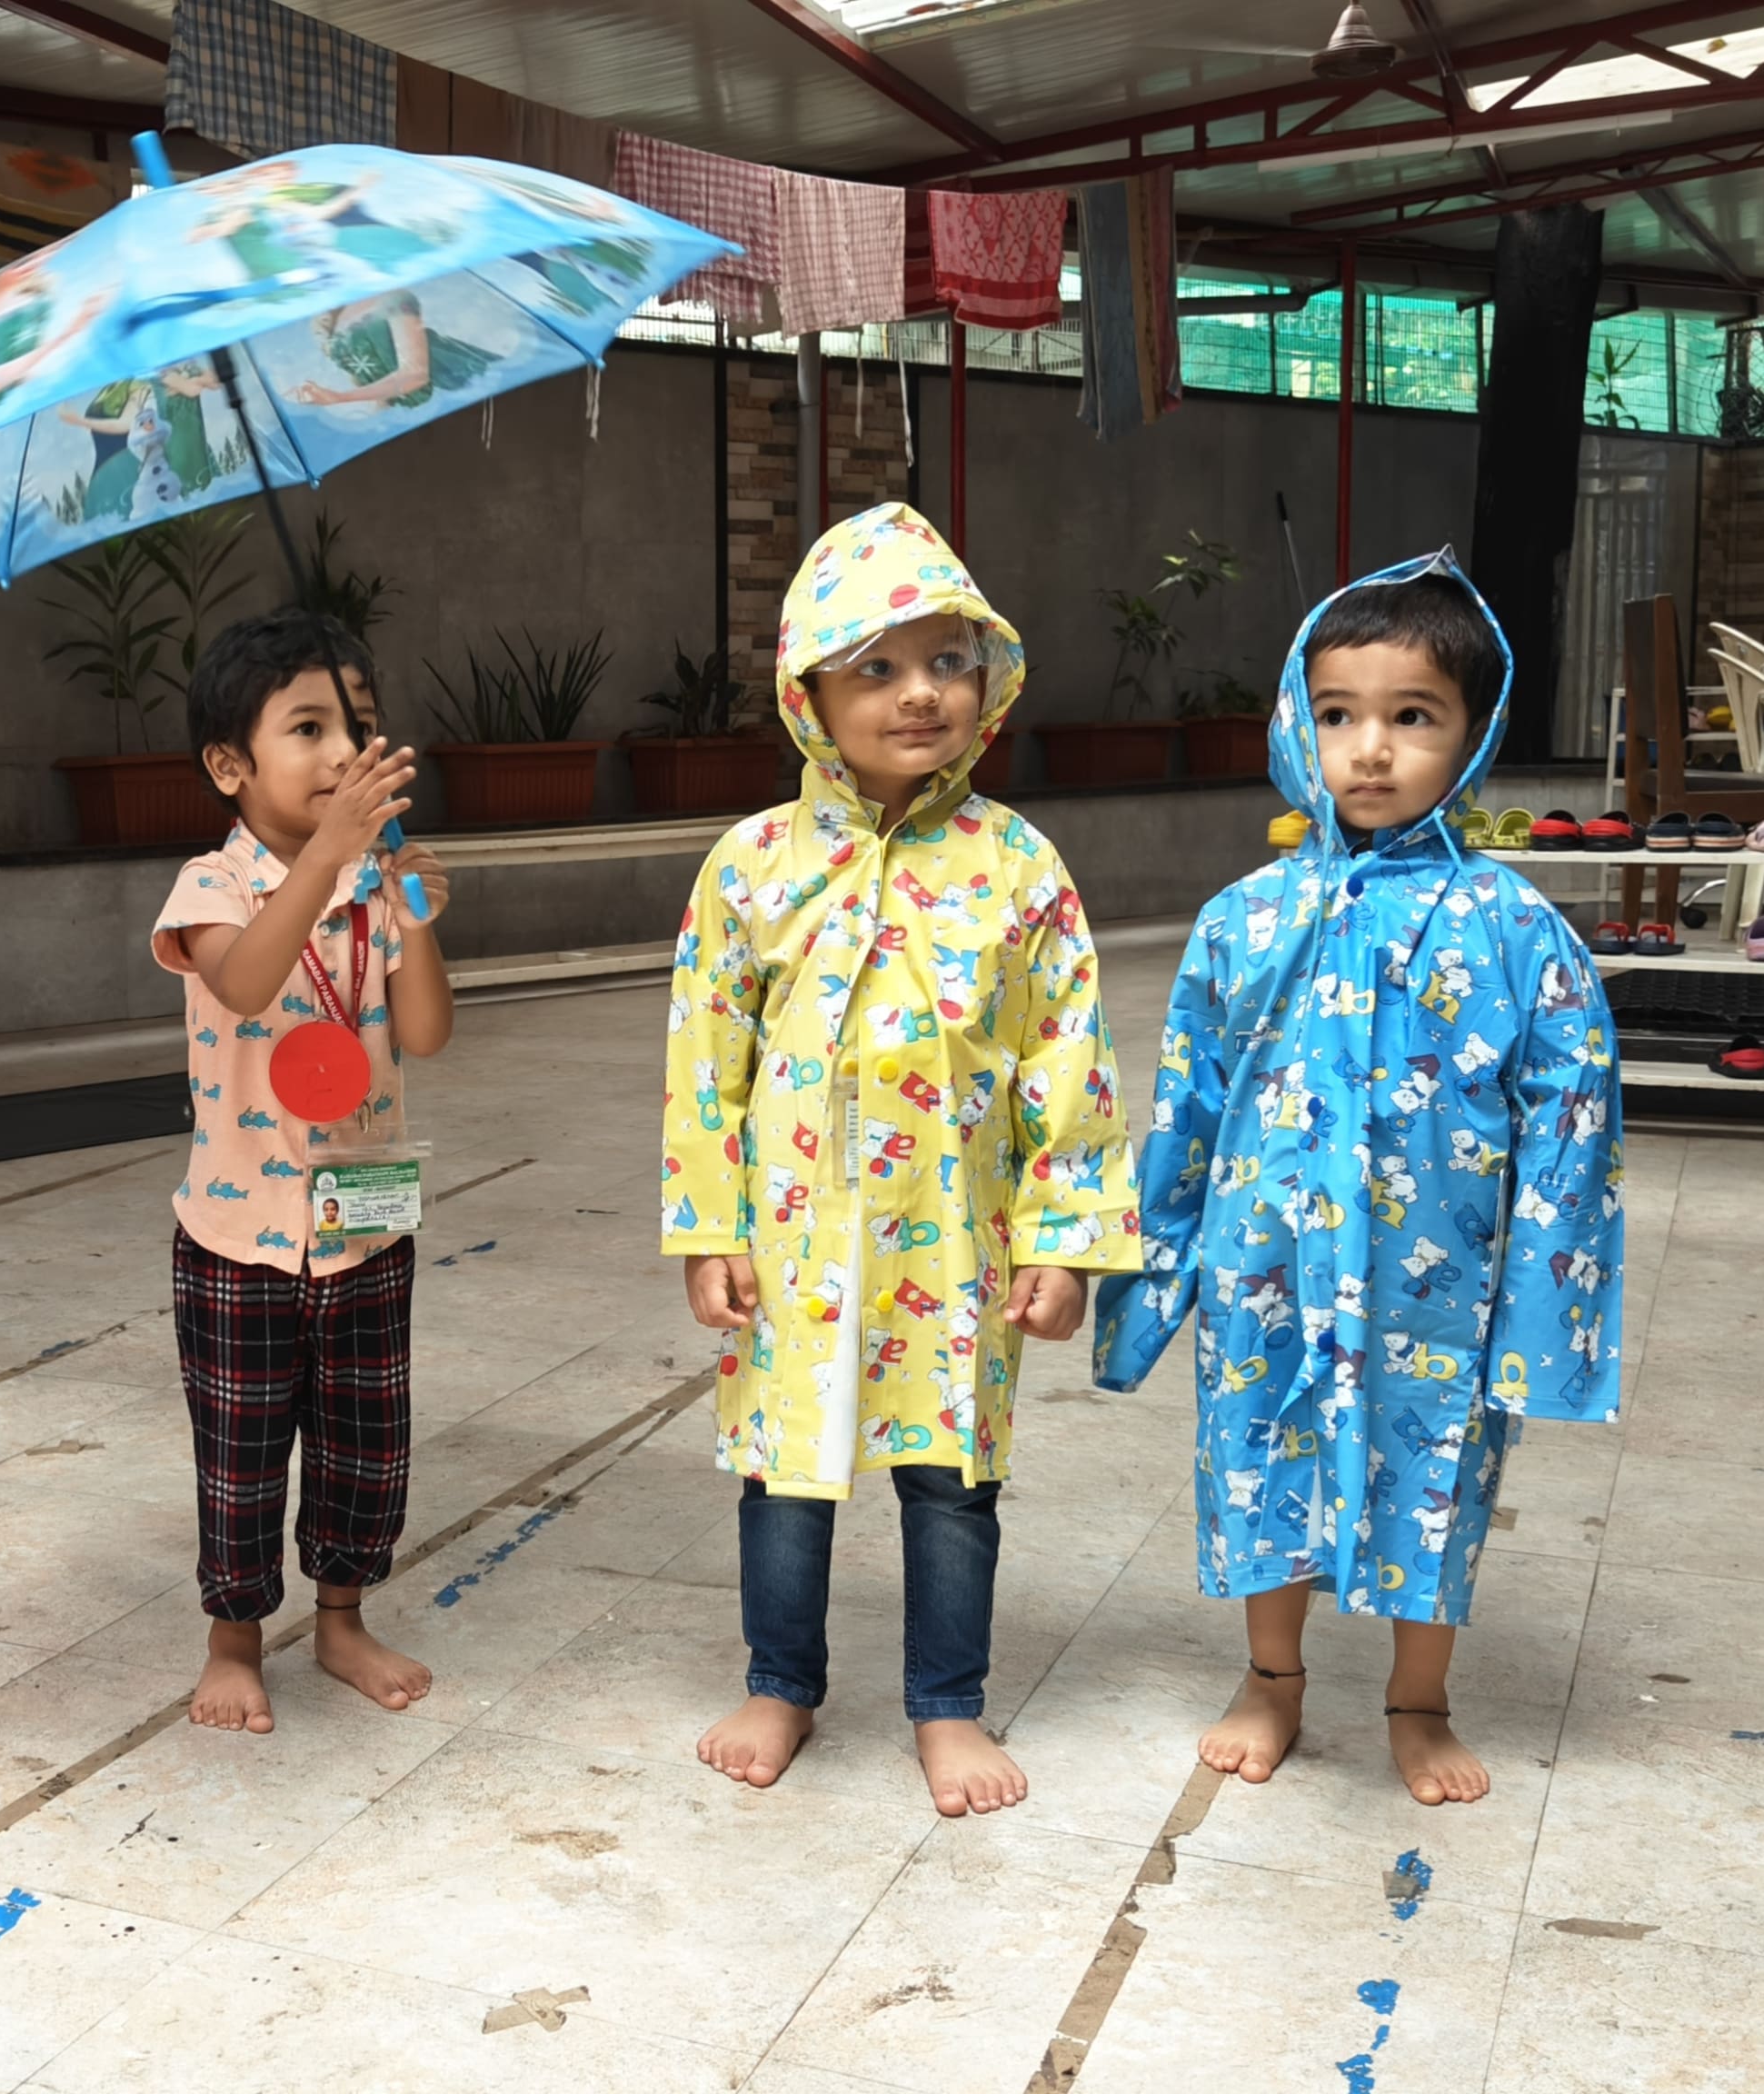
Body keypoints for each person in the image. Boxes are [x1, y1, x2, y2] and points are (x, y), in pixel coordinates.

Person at [1091, 553, 1623, 1806]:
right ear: (1296, 722)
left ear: (1477, 731)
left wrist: (1547, 1319)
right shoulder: (1243, 922)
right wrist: (1150, 1277)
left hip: (1440, 1282)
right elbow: (1189, 1110)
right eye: (1338, 716)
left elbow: (1573, 1125)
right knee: (1259, 1448)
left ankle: (1417, 1699)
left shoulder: (1512, 928)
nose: (1370, 750)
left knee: (1433, 1468)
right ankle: (1271, 1677)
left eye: (1412, 717)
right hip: (1265, 1264)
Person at [660, 504, 1141, 1818]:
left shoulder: (1018, 867)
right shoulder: (753, 867)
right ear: (808, 693)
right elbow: (708, 1062)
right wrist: (709, 1230)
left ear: (989, 677)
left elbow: (1067, 1062)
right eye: (875, 667)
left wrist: (1061, 1240)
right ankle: (781, 1681)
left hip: (959, 1234)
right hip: (794, 1238)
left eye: (944, 658)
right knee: (787, 1469)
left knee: (952, 1475)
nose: (918, 693)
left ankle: (948, 1705)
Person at [151, 606, 453, 1735]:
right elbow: (243, 982)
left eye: (359, 727)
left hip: (366, 1221)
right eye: (310, 727)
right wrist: (325, 859)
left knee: (364, 1440)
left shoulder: (373, 888)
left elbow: (423, 1034)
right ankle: (234, 1640)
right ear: (230, 766)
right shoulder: (210, 887)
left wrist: (410, 913)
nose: (342, 753)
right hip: (240, 1237)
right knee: (240, 1447)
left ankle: (340, 1618)